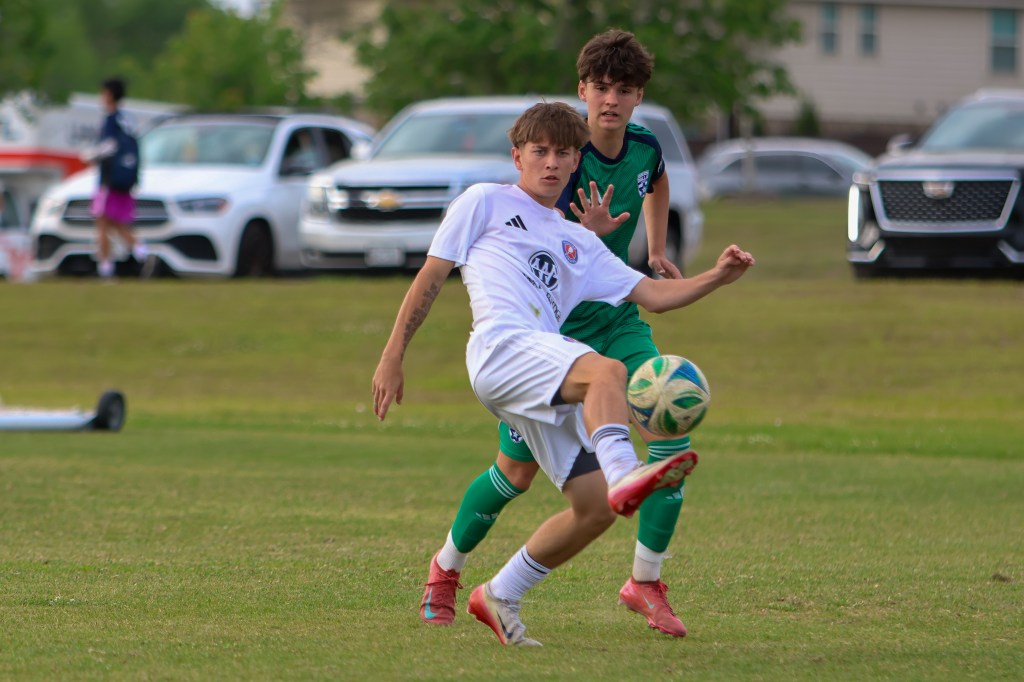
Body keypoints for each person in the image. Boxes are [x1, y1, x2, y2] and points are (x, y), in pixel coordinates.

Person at [373, 101, 755, 646]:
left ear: (577, 162)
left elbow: (654, 295)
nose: (552, 163)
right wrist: (393, 353)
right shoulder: (484, 200)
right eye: (540, 152)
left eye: (564, 154)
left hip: (539, 364)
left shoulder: (579, 241)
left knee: (595, 509)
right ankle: (626, 470)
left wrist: (717, 276)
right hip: (500, 348)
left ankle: (500, 594)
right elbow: (431, 276)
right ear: (518, 156)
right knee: (605, 372)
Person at [419, 30, 702, 638]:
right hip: (548, 335)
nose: (611, 101)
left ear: (638, 97)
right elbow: (550, 246)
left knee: (667, 431)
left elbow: (656, 185)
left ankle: (645, 580)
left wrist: (657, 248)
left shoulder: (644, 147)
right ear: (583, 91)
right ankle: (447, 569)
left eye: (624, 90)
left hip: (616, 318)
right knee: (512, 474)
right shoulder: (554, 158)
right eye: (601, 88)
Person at [82, 77, 146, 278]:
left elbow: (108, 146)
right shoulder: (127, 120)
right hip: (124, 181)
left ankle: (106, 267)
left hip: (109, 181)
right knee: (117, 223)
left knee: (102, 223)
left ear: (109, 94)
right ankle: (141, 251)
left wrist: (89, 156)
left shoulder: (110, 119)